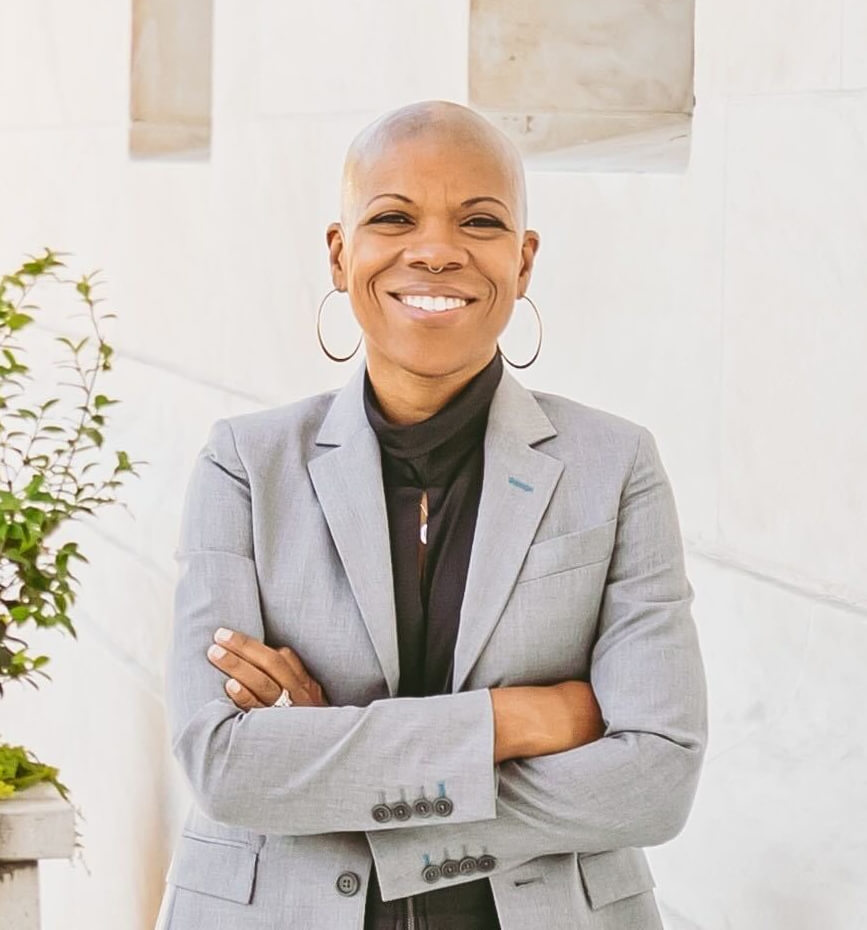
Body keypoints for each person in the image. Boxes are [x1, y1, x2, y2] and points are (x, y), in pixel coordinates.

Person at [155, 100, 708, 930]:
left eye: (479, 222)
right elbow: (226, 765)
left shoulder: (612, 466)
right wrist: (511, 720)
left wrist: (339, 766)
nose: (438, 250)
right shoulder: (244, 462)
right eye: (392, 217)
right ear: (341, 254)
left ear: (522, 262)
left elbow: (656, 777)